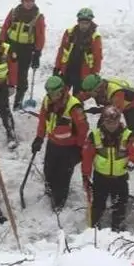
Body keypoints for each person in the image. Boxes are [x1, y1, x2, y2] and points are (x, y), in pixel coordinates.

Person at [31, 75, 89, 212]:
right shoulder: (47, 101)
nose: (51, 96)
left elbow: (83, 129)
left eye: (53, 93)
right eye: (49, 93)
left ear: (61, 91)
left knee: (63, 176)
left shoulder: (74, 106)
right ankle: (50, 190)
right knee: (49, 170)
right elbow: (42, 120)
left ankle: (59, 201)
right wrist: (39, 138)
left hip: (69, 147)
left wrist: (79, 148)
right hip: (53, 143)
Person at [81, 106, 134, 232]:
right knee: (98, 205)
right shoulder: (95, 135)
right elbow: (87, 157)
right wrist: (86, 175)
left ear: (119, 120)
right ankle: (94, 230)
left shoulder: (128, 135)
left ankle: (117, 230)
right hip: (101, 177)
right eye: (108, 122)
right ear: (103, 121)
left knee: (120, 205)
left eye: (114, 122)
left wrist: (133, 160)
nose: (111, 125)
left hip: (120, 178)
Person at [80, 74, 134, 165]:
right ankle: (104, 150)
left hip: (132, 103)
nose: (91, 95)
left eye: (92, 93)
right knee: (102, 125)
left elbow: (114, 112)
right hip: (114, 103)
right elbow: (82, 96)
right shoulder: (98, 88)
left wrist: (98, 110)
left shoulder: (116, 93)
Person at [0, 0, 46, 109]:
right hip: (11, 46)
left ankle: (18, 102)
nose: (29, 4)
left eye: (31, 1)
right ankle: (2, 97)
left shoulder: (38, 17)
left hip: (26, 49)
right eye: (27, 1)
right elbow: (5, 28)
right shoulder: (14, 12)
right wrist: (1, 44)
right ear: (22, 0)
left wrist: (37, 53)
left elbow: (40, 36)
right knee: (5, 72)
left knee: (22, 75)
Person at [53, 8, 102, 95]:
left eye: (86, 23)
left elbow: (97, 58)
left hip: (83, 74)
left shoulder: (95, 38)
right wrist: (57, 67)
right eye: (82, 23)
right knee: (61, 95)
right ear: (78, 22)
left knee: (78, 98)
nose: (84, 26)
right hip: (67, 70)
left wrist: (94, 75)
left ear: (90, 23)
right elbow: (61, 50)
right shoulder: (69, 33)